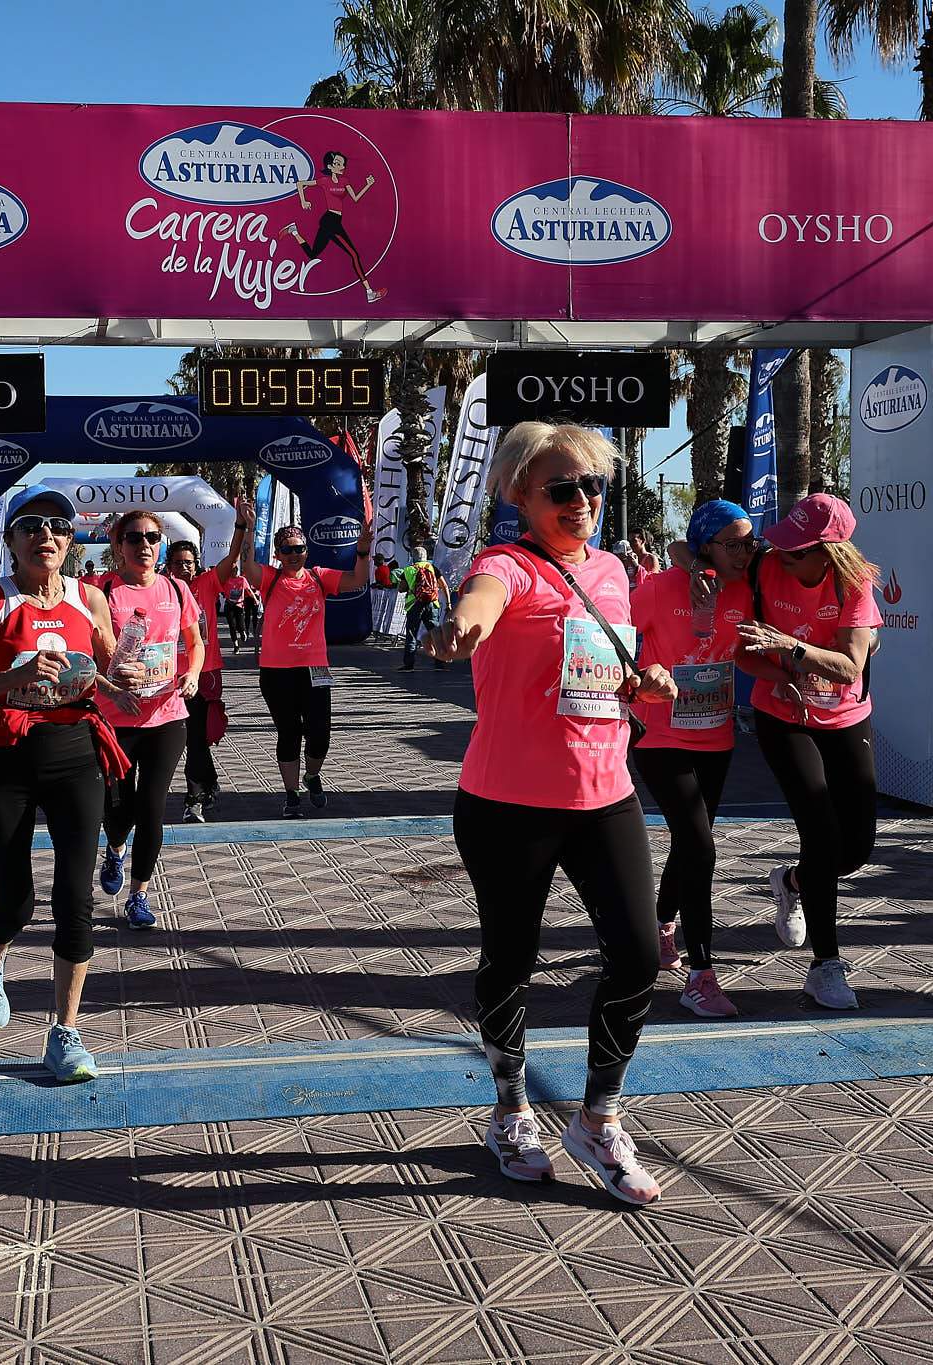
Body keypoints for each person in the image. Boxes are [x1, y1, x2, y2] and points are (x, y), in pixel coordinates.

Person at [424, 422, 677, 1206]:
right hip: (508, 804)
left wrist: (643, 680)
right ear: (520, 495)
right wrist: (462, 629)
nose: (582, 501)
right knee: (511, 960)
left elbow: (602, 667)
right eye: (562, 489)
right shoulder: (505, 565)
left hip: (605, 795)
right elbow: (481, 604)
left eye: (592, 485)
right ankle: (509, 1110)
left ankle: (599, 1118)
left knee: (639, 956)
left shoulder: (611, 570)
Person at [0, 484, 133, 1084]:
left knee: (75, 898)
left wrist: (128, 681)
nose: (46, 535)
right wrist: (10, 679)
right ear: (11, 541)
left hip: (75, 753)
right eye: (32, 526)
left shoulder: (90, 599)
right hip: (7, 756)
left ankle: (65, 1034)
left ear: (70, 543)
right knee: (16, 900)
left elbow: (105, 671)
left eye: (58, 528)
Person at [733, 493, 883, 1012]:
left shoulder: (852, 583)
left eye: (796, 552)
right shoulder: (765, 568)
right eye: (781, 546)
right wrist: (779, 675)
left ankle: (791, 880)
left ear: (829, 552)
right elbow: (744, 652)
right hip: (783, 718)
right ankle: (826, 967)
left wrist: (792, 648)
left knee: (856, 849)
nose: (783, 557)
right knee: (820, 834)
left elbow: (850, 666)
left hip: (844, 717)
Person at [630, 499, 756, 1019]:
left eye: (749, 542)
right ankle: (701, 976)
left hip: (716, 738)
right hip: (660, 737)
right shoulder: (659, 589)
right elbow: (615, 635)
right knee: (701, 847)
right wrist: (640, 677)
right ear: (706, 545)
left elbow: (743, 652)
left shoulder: (744, 589)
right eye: (733, 544)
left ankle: (662, 923)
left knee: (690, 842)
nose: (745, 552)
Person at [93, 509, 206, 929]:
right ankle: (115, 849)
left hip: (166, 715)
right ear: (119, 545)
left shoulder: (176, 589)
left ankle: (138, 895)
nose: (144, 545)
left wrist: (193, 674)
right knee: (119, 810)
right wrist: (112, 681)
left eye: (152, 537)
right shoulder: (102, 591)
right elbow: (86, 651)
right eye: (134, 537)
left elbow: (195, 643)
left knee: (152, 807)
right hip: (116, 718)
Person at [224, 513, 375, 817]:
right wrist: (249, 529)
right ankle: (292, 795)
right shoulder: (271, 578)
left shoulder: (319, 577)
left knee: (320, 734)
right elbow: (248, 568)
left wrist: (362, 549)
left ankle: (312, 775)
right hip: (276, 671)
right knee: (289, 733)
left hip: (315, 668)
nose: (294, 555)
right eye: (287, 549)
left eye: (299, 549)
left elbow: (358, 580)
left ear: (307, 551)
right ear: (278, 554)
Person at [168, 506, 253, 823]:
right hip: (173, 674)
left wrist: (241, 526)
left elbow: (232, 558)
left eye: (188, 563)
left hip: (206, 672)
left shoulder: (207, 583)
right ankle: (203, 789)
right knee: (190, 736)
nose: (184, 568)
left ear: (196, 565)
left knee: (199, 735)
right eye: (178, 563)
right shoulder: (164, 590)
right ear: (169, 566)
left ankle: (196, 795)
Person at [282, 151, 386, 302]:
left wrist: (368, 185)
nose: (341, 166)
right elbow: (300, 183)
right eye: (337, 163)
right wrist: (303, 201)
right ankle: (369, 292)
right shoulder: (324, 181)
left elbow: (355, 198)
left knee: (312, 254)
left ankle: (294, 231)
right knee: (354, 255)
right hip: (330, 221)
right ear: (330, 166)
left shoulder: (345, 181)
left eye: (342, 163)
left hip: (334, 221)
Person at [391, 546, 450, 671]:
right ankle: (440, 663)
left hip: (414, 605)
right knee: (436, 634)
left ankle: (409, 665)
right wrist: (448, 604)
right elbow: (444, 586)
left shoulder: (408, 570)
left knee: (411, 634)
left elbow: (401, 589)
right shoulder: (432, 568)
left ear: (413, 557)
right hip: (432, 604)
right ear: (425, 556)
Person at [222, 564, 253, 653]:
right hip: (229, 605)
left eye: (235, 570)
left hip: (239, 605)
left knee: (240, 624)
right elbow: (221, 589)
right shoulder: (227, 580)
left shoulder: (242, 580)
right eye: (232, 571)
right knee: (232, 626)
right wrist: (224, 594)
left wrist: (255, 599)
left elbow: (249, 590)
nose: (234, 572)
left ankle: (242, 632)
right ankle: (236, 646)